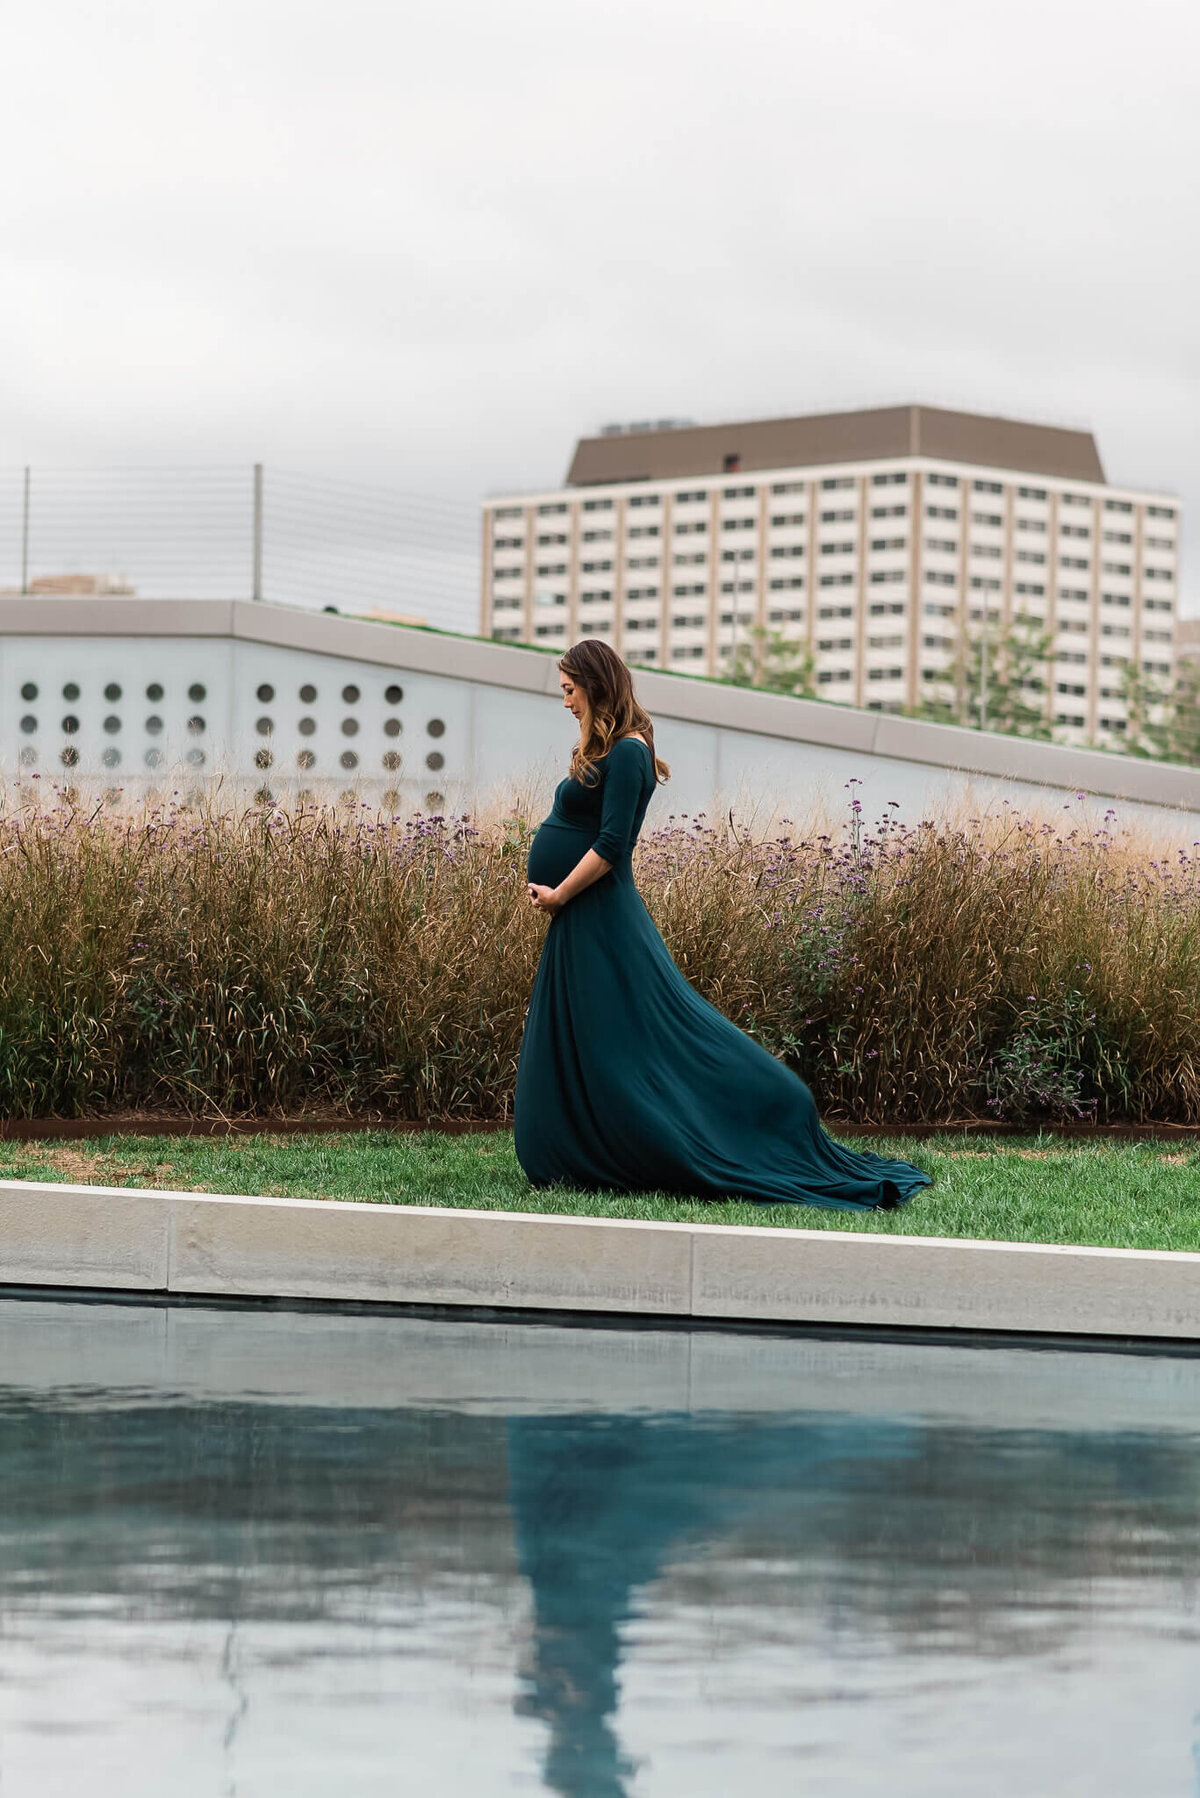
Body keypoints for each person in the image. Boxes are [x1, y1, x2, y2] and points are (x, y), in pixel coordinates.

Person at [513, 639, 931, 1211]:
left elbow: (613, 844)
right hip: (581, 919)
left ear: (596, 684)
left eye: (569, 690)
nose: (564, 702)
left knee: (649, 1037)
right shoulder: (607, 749)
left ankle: (771, 1109)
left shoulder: (631, 752)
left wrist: (559, 891)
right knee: (595, 1040)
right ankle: (579, 1144)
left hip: (598, 916)